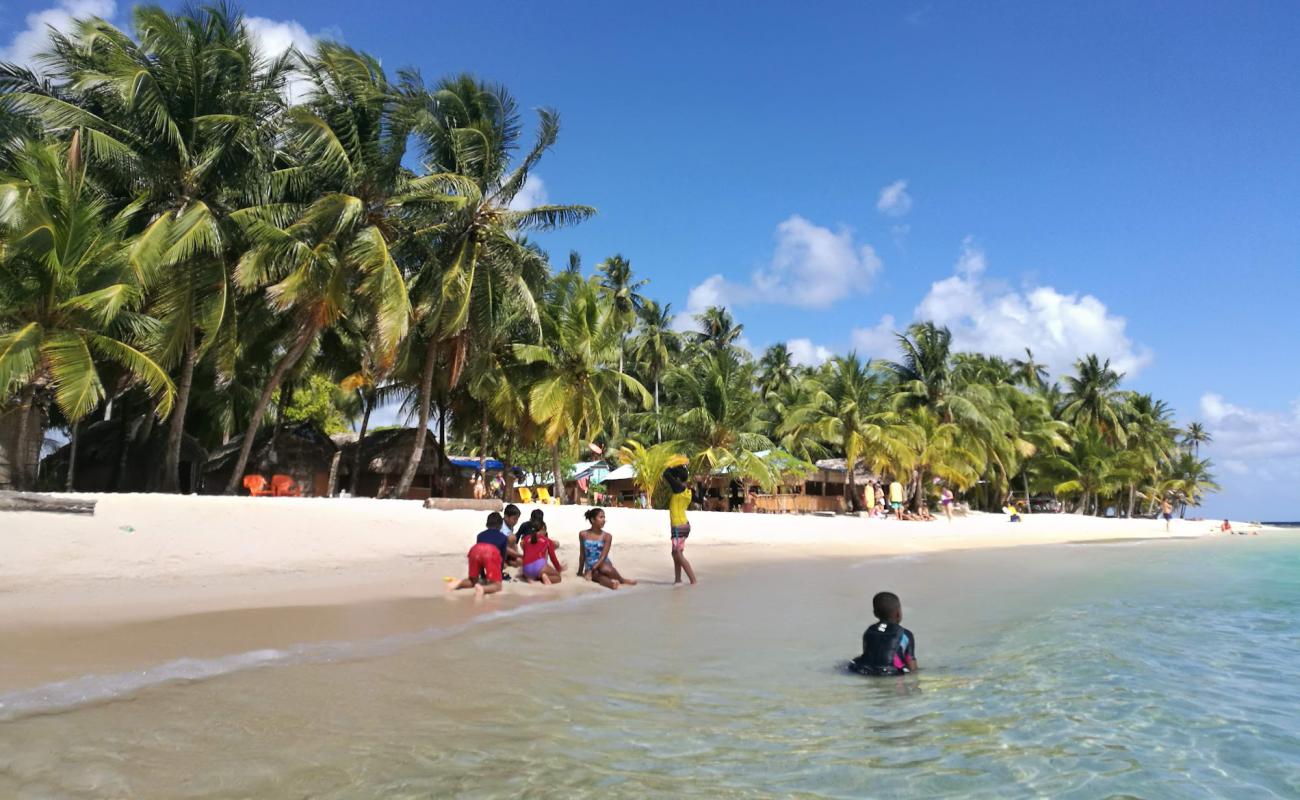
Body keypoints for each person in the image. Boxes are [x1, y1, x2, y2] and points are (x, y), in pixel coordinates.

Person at [447, 511, 519, 597]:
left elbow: (480, 556)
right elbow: (502, 559)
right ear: (500, 526)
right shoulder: (503, 538)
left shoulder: (480, 535)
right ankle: (483, 589)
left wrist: (483, 575)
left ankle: (457, 583)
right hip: (491, 552)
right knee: (498, 586)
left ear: (487, 524)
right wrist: (498, 576)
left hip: (474, 550)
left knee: (472, 581)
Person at [849, 591, 918, 676]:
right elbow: (912, 666)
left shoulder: (869, 630)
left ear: (875, 613)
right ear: (898, 613)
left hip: (865, 670)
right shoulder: (905, 634)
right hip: (890, 672)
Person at [578, 508, 636, 590]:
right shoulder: (583, 534)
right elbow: (582, 554)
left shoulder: (607, 536)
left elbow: (603, 556)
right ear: (593, 520)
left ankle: (621, 580)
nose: (604, 520)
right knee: (598, 576)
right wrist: (580, 572)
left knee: (603, 568)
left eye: (604, 517)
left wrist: (592, 569)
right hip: (590, 566)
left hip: (603, 563)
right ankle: (611, 584)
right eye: (601, 517)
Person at [665, 460, 698, 585]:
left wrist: (674, 464)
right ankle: (678, 579)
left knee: (677, 554)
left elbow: (666, 474)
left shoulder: (678, 488)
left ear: (678, 478)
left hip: (678, 526)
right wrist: (699, 483)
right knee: (675, 553)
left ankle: (693, 580)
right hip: (684, 524)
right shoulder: (688, 491)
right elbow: (700, 499)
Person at [520, 519, 564, 584]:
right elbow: (553, 558)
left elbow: (525, 554)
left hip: (526, 569)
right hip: (539, 566)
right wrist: (559, 569)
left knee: (532, 569)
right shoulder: (547, 540)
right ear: (543, 529)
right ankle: (542, 576)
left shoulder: (526, 539)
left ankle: (531, 577)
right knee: (558, 578)